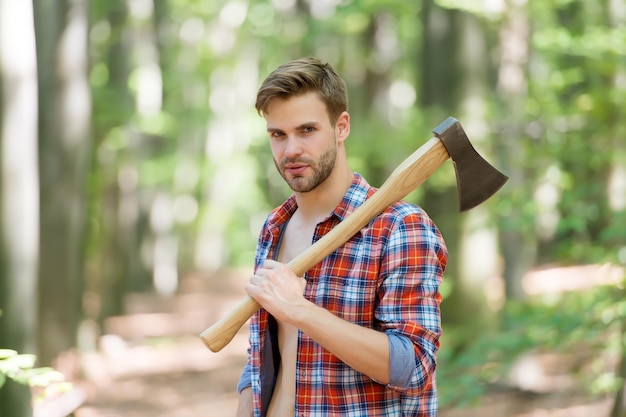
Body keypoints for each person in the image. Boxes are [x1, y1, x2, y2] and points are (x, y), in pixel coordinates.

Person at [236, 57, 448, 417]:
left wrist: (301, 311)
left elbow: (412, 366)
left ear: (341, 126)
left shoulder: (399, 228)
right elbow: (265, 355)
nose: (290, 151)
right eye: (278, 134)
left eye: (307, 130)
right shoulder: (275, 227)